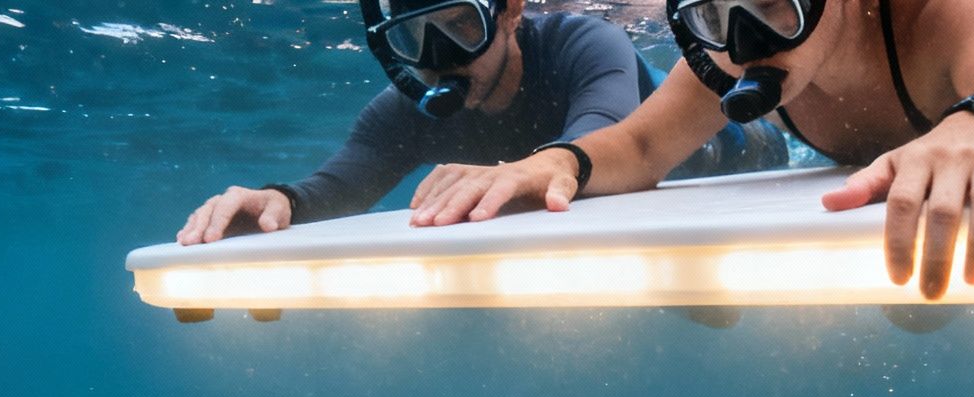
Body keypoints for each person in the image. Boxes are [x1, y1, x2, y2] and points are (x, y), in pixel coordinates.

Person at [407, 0, 974, 301]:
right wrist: (560, 163)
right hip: (940, 141)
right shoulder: (737, 43)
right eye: (715, 15)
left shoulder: (931, 12)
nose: (746, 40)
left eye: (773, 4)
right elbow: (641, 143)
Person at [176, 0, 787, 245]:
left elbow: (602, 132)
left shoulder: (583, 42)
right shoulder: (405, 111)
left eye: (461, 25)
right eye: (415, 36)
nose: (440, 55)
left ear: (512, 11)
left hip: (731, 151)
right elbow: (340, 187)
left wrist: (541, 167)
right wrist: (275, 200)